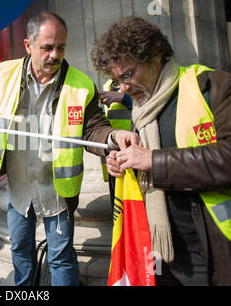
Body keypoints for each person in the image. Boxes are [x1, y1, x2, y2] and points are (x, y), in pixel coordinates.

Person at [0, 11, 139, 286]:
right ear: (28, 45)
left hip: (57, 191)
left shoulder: (82, 86)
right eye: (47, 47)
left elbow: (94, 128)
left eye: (61, 47)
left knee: (61, 258)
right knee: (20, 253)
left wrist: (114, 136)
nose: (55, 55)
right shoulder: (2, 74)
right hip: (16, 189)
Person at [91, 16, 231, 285]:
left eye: (128, 75)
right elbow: (142, 165)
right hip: (157, 251)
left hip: (209, 252)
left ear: (155, 56)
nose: (123, 88)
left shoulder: (211, 86)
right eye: (116, 80)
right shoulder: (143, 109)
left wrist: (153, 160)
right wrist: (120, 164)